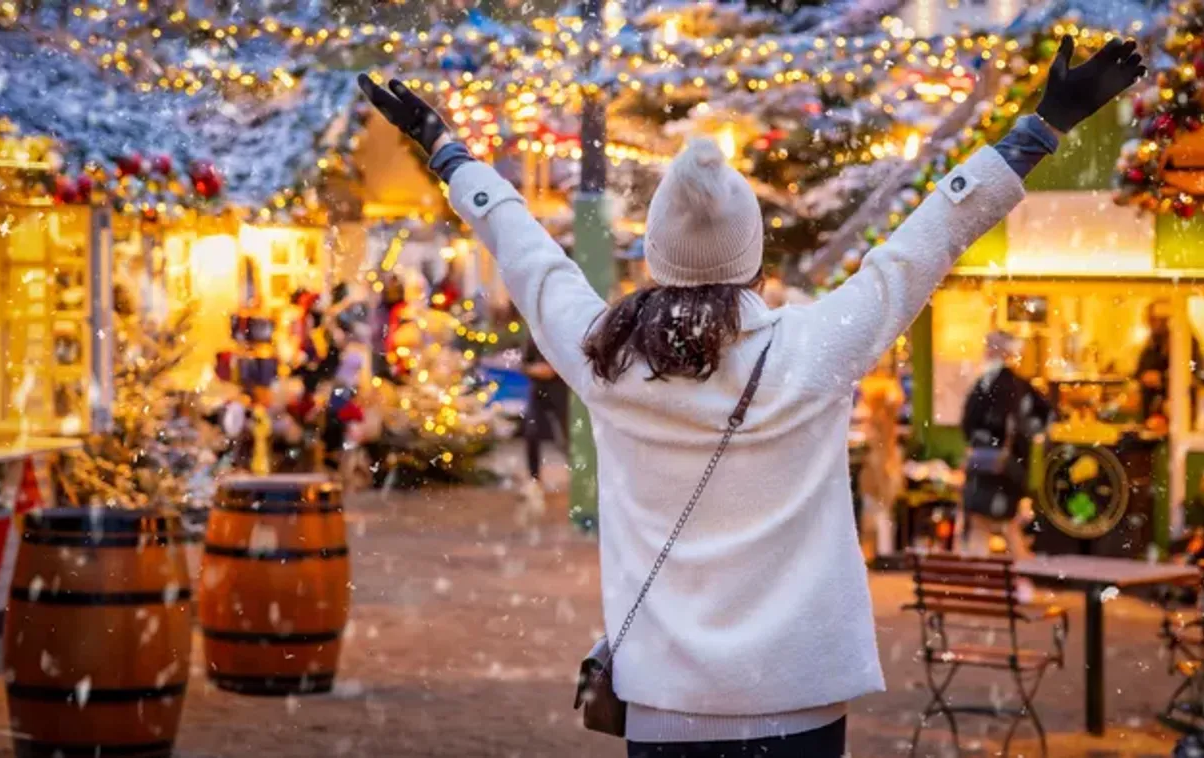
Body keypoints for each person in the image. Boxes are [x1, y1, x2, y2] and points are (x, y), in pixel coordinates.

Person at [359, 36, 1143, 757]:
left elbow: (526, 252)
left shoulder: (605, 360)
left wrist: (445, 148)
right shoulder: (815, 348)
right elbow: (930, 234)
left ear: (656, 257)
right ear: (753, 256)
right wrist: (1041, 127)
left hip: (664, 699)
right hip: (796, 698)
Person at [961, 331, 1052, 558]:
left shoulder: (985, 384)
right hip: (1011, 467)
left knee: (981, 524)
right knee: (1008, 524)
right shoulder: (1022, 385)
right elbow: (1045, 418)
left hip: (984, 466)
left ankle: (981, 578)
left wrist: (982, 440)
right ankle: (1021, 573)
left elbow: (968, 423)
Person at [855, 373, 905, 561]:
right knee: (881, 513)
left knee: (876, 513)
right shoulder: (885, 422)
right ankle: (881, 553)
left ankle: (878, 554)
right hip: (883, 470)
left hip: (877, 471)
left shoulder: (875, 422)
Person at [521, 329, 569, 511]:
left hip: (561, 392)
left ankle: (581, 475)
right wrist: (535, 369)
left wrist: (555, 370)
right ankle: (534, 479)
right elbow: (524, 363)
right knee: (531, 431)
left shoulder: (563, 334)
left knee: (567, 436)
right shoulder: (533, 335)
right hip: (538, 392)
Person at [1135, 300, 1203, 428]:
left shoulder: (1186, 340)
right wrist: (1143, 376)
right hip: (1153, 408)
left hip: (1176, 406)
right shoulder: (1152, 342)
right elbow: (1140, 369)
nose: (1152, 323)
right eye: (1151, 319)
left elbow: (1190, 370)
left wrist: (1161, 378)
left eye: (1156, 319)